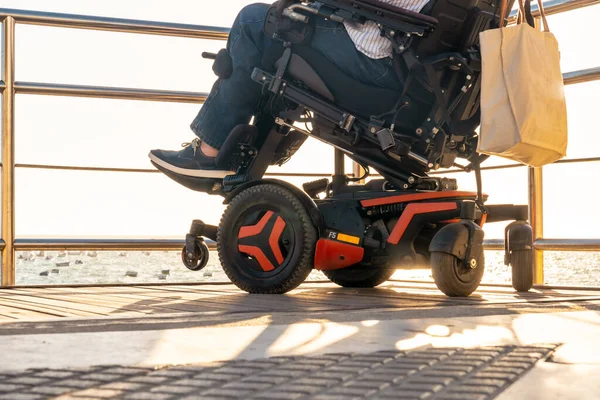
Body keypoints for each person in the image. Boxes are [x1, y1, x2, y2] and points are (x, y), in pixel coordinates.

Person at [149, 0, 432, 178]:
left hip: (380, 58)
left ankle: (211, 151)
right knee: (281, 25)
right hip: (415, 70)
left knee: (254, 22)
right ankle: (255, 147)